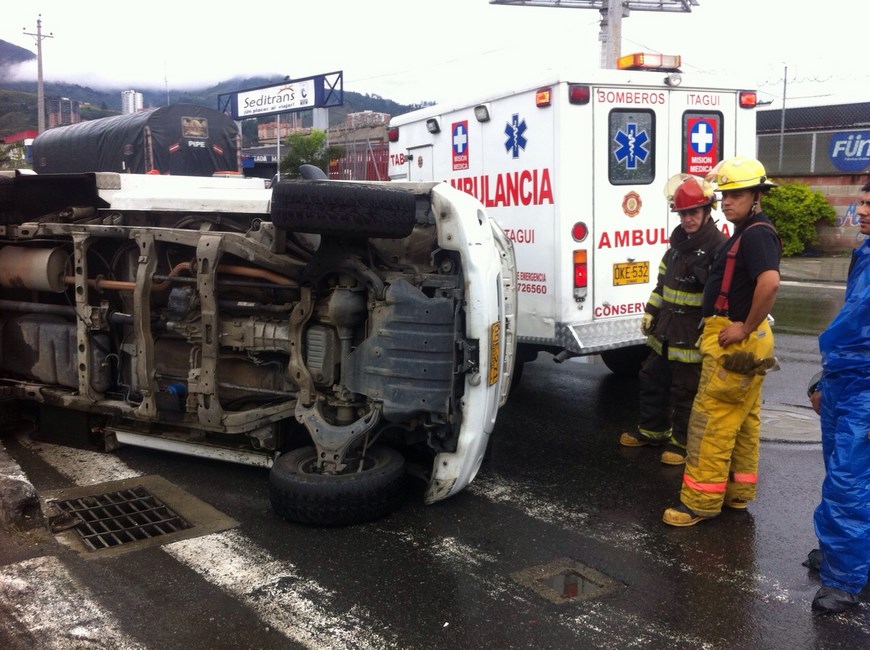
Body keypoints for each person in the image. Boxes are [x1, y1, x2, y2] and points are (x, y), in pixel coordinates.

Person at [662, 156, 782, 527]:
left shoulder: (757, 234)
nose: (726, 201)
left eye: (736, 194)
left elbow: (770, 283)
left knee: (710, 423)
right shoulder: (749, 231)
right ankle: (736, 493)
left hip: (736, 340)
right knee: (743, 423)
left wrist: (744, 327)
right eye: (724, 195)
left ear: (756, 196)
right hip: (745, 340)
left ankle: (699, 503)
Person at [619, 174, 727, 465]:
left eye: (693, 212)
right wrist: (651, 311)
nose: (688, 219)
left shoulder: (719, 249)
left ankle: (682, 444)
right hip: (666, 331)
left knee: (685, 390)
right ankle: (652, 431)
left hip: (692, 335)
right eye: (683, 213)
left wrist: (711, 330)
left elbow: (720, 297)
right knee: (651, 377)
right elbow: (662, 286)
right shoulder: (676, 247)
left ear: (707, 211)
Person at [804, 179, 870, 614]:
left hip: (863, 387)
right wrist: (823, 379)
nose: (860, 208)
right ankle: (844, 555)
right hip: (845, 380)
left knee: (849, 479)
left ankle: (846, 580)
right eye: (862, 199)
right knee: (841, 471)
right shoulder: (864, 252)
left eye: (869, 201)